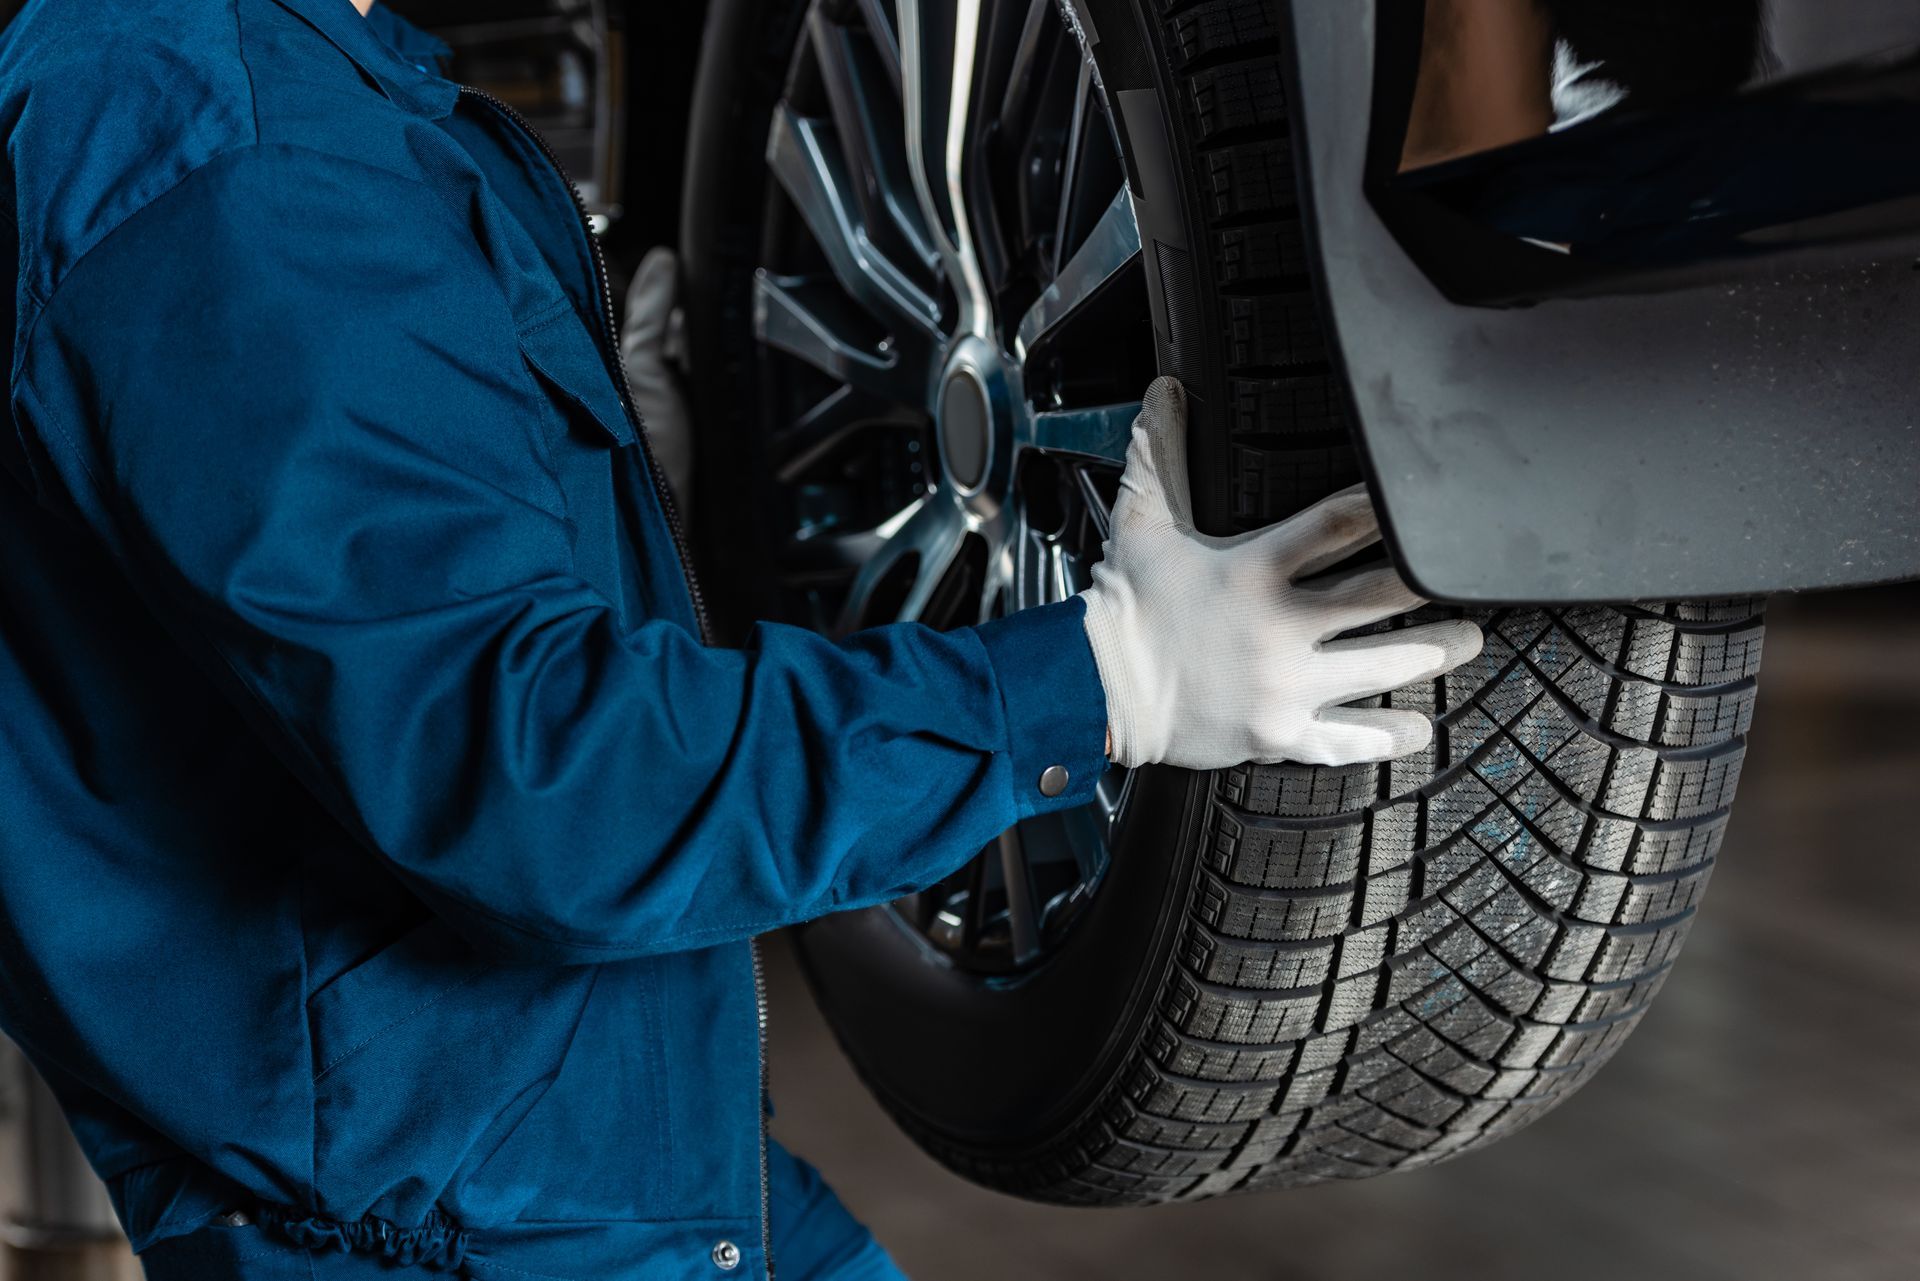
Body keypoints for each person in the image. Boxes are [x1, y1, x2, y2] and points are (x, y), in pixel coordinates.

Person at [0, 1, 1481, 1278]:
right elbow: (547, 790)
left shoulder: (247, 87)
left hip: (611, 1172)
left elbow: (310, 623)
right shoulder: (230, 156)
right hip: (482, 1225)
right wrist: (1099, 685)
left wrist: (594, 496)